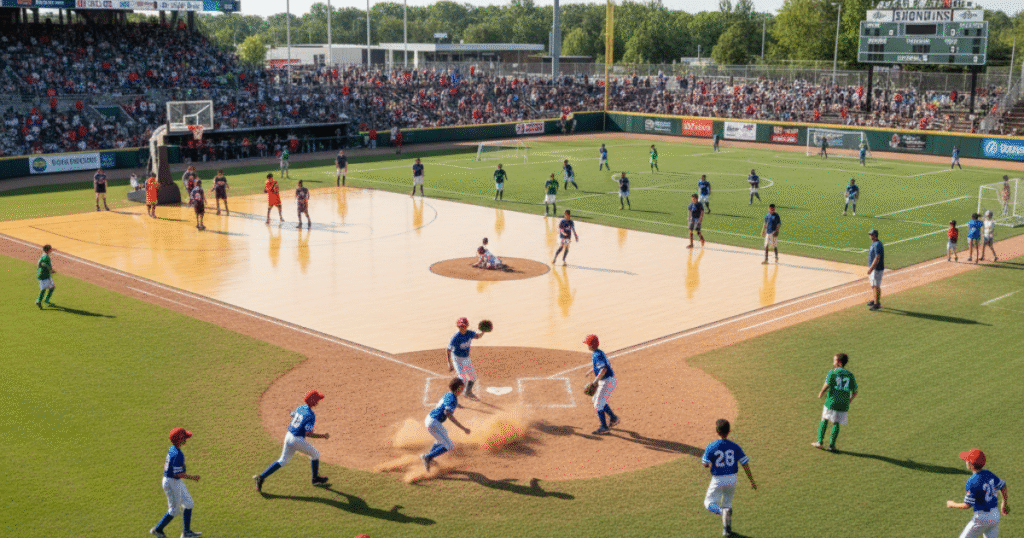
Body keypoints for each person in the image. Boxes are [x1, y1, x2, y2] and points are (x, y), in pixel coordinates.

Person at [253, 390, 330, 492]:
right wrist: (323, 436)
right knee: (315, 454)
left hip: (288, 436)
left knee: (282, 461)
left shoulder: (301, 407)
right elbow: (308, 433)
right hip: (297, 440)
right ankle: (315, 479)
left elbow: (292, 414)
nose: (318, 402)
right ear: (313, 401)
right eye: (317, 400)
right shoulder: (311, 415)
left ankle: (261, 477)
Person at [702, 419, 756, 537]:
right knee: (727, 503)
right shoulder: (735, 446)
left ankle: (721, 512)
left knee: (708, 502)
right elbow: (745, 463)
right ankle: (727, 530)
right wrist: (751, 480)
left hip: (718, 479)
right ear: (729, 431)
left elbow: (705, 463)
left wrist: (710, 465)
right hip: (732, 479)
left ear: (717, 431)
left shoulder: (711, 446)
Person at [150, 427, 202, 538]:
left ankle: (186, 533)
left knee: (189, 503)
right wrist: (193, 477)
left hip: (174, 481)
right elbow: (177, 474)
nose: (186, 439)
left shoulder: (173, 448)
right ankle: (158, 529)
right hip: (171, 482)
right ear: (180, 439)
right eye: (184, 437)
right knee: (174, 511)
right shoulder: (178, 454)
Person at [946, 448, 1009, 538]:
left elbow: (967, 505)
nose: (965, 461)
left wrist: (952, 504)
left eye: (967, 460)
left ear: (970, 464)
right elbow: (1003, 485)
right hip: (995, 515)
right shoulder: (988, 474)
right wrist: (1004, 503)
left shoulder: (972, 481)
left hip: (981, 518)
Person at [420, 378, 472, 472]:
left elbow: (447, 402)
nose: (464, 387)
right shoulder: (452, 399)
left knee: (442, 438)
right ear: (459, 388)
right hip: (433, 422)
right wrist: (463, 428)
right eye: (462, 386)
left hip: (431, 419)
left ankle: (429, 457)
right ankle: (427, 457)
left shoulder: (450, 394)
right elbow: (448, 413)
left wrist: (456, 405)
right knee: (449, 445)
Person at [811, 353, 858, 451]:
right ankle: (832, 446)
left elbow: (827, 384)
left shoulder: (832, 372)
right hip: (843, 404)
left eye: (834, 360)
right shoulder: (850, 375)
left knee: (824, 419)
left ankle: (820, 442)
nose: (833, 362)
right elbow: (855, 391)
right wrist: (849, 401)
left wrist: (821, 392)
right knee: (836, 423)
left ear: (839, 363)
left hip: (831, 401)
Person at [583, 334, 619, 435]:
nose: (587, 346)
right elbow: (605, 365)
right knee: (596, 399)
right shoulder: (598, 352)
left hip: (607, 381)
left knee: (598, 404)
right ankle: (613, 418)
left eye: (587, 344)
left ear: (590, 345)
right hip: (607, 380)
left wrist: (595, 381)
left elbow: (604, 369)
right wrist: (591, 370)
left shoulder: (597, 355)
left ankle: (604, 427)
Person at [446, 317, 485, 400]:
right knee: (462, 379)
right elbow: (448, 350)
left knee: (473, 377)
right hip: (457, 359)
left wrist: (483, 331)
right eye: (460, 326)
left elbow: (478, 336)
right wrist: (449, 363)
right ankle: (451, 397)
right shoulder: (455, 338)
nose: (462, 328)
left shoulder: (470, 333)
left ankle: (468, 392)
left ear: (467, 326)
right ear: (458, 327)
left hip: (466, 358)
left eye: (464, 326)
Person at [867, 229, 884, 311]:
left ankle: (877, 304)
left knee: (876, 286)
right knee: (873, 285)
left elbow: (877, 258)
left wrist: (871, 268)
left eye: (871, 234)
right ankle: (875, 300)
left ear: (874, 235)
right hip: (874, 268)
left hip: (876, 269)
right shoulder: (874, 244)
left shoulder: (877, 245)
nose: (870, 236)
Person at [35, 244, 55, 309]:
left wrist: (38, 269)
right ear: (48, 250)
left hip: (42, 274)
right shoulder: (46, 257)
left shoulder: (43, 255)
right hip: (45, 275)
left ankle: (46, 299)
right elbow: (46, 265)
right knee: (44, 289)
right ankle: (39, 301)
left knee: (52, 286)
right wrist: (50, 270)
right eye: (50, 249)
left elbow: (39, 263)